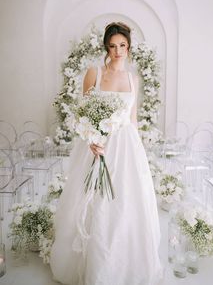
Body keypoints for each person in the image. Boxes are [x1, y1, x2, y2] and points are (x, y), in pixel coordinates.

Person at [50, 22, 163, 285]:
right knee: (95, 202)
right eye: (112, 46)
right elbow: (84, 114)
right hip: (97, 147)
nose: (117, 51)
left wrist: (139, 157)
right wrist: (91, 140)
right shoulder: (94, 73)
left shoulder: (133, 80)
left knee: (124, 203)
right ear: (106, 47)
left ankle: (122, 264)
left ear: (129, 47)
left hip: (125, 149)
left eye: (122, 45)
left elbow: (132, 120)